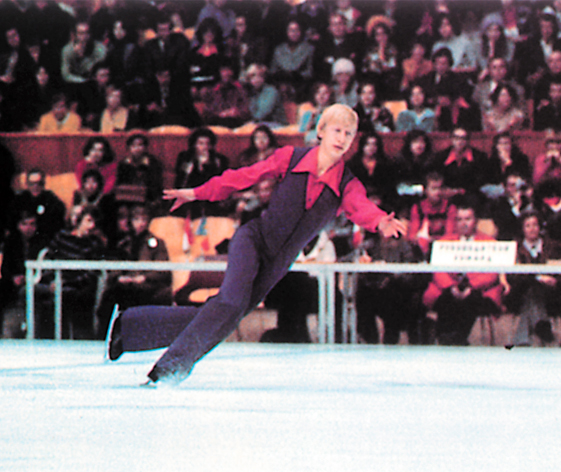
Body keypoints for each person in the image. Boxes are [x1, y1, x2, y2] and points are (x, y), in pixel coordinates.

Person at [107, 104, 406, 385]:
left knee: (224, 315)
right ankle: (168, 369)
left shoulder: (347, 185)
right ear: (321, 131)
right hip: (252, 241)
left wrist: (381, 221)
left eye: (348, 134)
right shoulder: (291, 158)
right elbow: (244, 177)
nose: (341, 138)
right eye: (336, 130)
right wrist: (198, 192)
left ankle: (129, 327)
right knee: (230, 305)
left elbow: (362, 207)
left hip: (278, 263)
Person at [422, 198, 505, 346]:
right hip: (449, 289)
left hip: (479, 291)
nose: (463, 223)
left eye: (467, 219)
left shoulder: (489, 242)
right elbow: (438, 272)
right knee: (447, 300)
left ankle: (455, 340)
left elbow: (492, 274)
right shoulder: (444, 242)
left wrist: (471, 287)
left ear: (476, 221)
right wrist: (451, 287)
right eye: (459, 219)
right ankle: (448, 339)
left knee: (469, 301)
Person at [96, 204, 172, 339]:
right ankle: (104, 337)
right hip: (126, 284)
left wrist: (145, 278)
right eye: (137, 219)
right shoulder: (123, 243)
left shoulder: (156, 244)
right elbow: (114, 265)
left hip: (147, 285)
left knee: (137, 296)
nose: (141, 223)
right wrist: (119, 277)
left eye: (144, 219)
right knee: (110, 297)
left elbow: (162, 269)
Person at [35, 205, 104, 339]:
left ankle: (62, 338)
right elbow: (48, 260)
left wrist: (64, 283)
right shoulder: (62, 237)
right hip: (53, 282)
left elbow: (91, 273)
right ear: (79, 220)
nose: (92, 226)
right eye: (89, 221)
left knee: (65, 296)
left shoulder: (95, 244)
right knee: (29, 291)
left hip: (76, 287)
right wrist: (52, 281)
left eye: (95, 223)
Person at [504, 211, 561, 346]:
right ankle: (542, 327)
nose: (532, 229)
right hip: (519, 291)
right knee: (531, 290)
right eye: (528, 226)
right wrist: (537, 278)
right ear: (522, 229)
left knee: (533, 295)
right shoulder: (515, 248)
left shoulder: (553, 246)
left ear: (540, 227)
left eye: (535, 225)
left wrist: (555, 281)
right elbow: (512, 277)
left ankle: (522, 340)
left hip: (550, 292)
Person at [173, 127, 230, 220]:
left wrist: (207, 166)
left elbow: (219, 182)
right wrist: (195, 166)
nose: (205, 147)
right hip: (190, 194)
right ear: (194, 145)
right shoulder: (185, 157)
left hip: (211, 197)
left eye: (208, 144)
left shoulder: (219, 160)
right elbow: (181, 179)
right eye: (201, 143)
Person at [407, 172, 457, 259]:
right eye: (433, 189)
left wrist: (433, 240)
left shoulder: (449, 207)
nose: (437, 192)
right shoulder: (418, 208)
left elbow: (450, 234)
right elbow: (412, 235)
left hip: (443, 248)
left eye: (440, 188)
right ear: (426, 190)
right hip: (421, 248)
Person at [11, 168, 66, 243]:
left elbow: (58, 218)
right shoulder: (19, 199)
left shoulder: (50, 199)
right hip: (20, 239)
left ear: (43, 184)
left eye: (39, 183)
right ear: (27, 184)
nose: (35, 186)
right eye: (31, 184)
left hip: (43, 238)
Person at [269, 18, 315, 102]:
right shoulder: (279, 49)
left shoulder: (309, 49)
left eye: (296, 30)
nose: (294, 33)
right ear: (286, 32)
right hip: (281, 85)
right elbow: (273, 71)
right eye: (291, 30)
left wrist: (298, 76)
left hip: (301, 86)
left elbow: (310, 71)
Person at [245, 63, 287, 127]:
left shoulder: (271, 92)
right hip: (260, 123)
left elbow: (261, 114)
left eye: (254, 76)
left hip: (276, 125)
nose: (251, 80)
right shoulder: (253, 91)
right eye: (249, 78)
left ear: (262, 77)